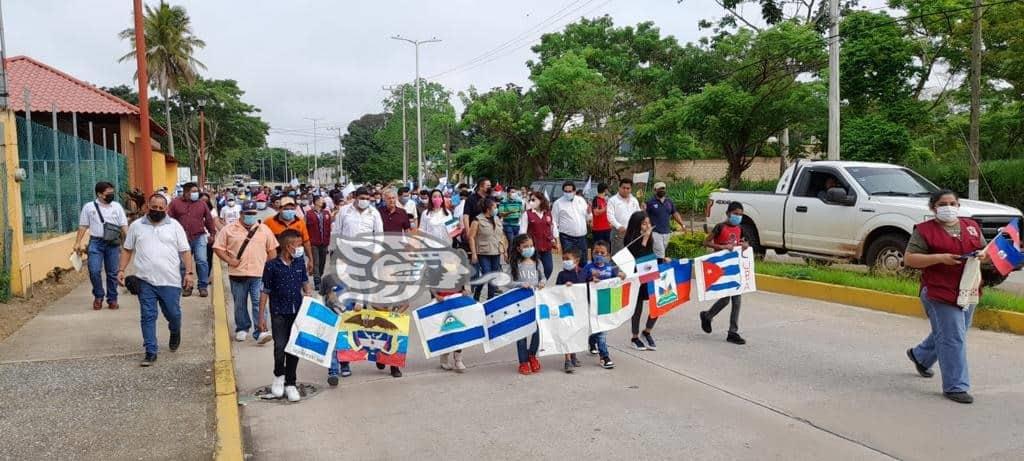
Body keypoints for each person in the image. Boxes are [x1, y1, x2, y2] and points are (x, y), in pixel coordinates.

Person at [904, 189, 988, 404]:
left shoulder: (971, 227)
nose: (949, 207)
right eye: (943, 204)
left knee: (955, 332)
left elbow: (984, 250)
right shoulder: (924, 231)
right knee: (953, 338)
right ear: (934, 208)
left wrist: (983, 255)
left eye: (953, 203)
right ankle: (955, 386)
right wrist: (939, 258)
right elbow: (911, 259)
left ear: (958, 206)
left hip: (967, 289)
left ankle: (921, 356)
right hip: (938, 291)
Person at [118, 194, 196, 367]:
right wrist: (121, 270)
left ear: (166, 209)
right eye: (154, 207)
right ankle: (150, 351)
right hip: (145, 281)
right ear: (147, 206)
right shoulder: (136, 226)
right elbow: (127, 249)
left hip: (170, 281)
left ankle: (175, 331)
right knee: (148, 316)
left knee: (173, 315)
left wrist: (189, 273)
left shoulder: (174, 226)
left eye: (161, 208)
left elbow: (185, 251)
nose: (157, 211)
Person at [258, 229, 313, 402]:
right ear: (288, 246)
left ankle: (291, 383)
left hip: (297, 312)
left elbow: (306, 285)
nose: (300, 248)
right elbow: (265, 291)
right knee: (280, 348)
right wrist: (261, 317)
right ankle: (278, 376)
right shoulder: (271, 266)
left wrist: (310, 297)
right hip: (279, 313)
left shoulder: (299, 264)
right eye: (298, 244)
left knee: (293, 349)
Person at [213, 200, 279, 343]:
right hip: (237, 273)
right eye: (247, 213)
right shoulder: (229, 229)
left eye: (253, 213)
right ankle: (242, 328)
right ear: (241, 214)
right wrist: (230, 261)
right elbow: (218, 248)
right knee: (240, 303)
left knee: (258, 302)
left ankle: (261, 330)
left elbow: (272, 251)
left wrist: (268, 268)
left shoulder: (264, 230)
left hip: (259, 274)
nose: (250, 216)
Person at [699, 201, 750, 345]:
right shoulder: (720, 227)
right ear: (728, 213)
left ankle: (732, 332)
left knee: (737, 299)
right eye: (735, 214)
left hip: (734, 266)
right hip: (720, 267)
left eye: (740, 214)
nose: (738, 217)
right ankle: (707, 316)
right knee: (725, 300)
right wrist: (722, 247)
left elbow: (742, 243)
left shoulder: (739, 228)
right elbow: (706, 242)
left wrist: (744, 245)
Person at [74, 181, 129, 310]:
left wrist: (129, 239)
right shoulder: (89, 207)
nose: (111, 195)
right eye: (108, 193)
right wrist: (77, 242)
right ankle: (98, 295)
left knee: (112, 273)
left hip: (112, 244)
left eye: (112, 192)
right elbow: (83, 226)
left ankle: (112, 299)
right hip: (95, 243)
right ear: (99, 194)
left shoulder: (117, 207)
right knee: (94, 270)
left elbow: (123, 225)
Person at [167, 182, 217, 297]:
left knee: (202, 261)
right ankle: (187, 286)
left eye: (196, 191)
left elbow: (209, 219)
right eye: (193, 191)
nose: (196, 194)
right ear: (186, 192)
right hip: (181, 239)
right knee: (183, 264)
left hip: (199, 236)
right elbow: (169, 220)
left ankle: (203, 287)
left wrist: (212, 233)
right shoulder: (175, 204)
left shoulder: (202, 204)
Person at [622, 211, 659, 351]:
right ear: (637, 225)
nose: (647, 226)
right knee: (637, 306)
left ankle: (647, 331)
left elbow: (650, 254)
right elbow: (637, 256)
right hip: (636, 274)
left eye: (648, 223)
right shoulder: (631, 238)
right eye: (644, 223)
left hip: (649, 270)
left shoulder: (650, 237)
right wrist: (644, 238)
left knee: (658, 302)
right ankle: (635, 336)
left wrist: (661, 260)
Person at [581, 241, 621, 369]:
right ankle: (604, 356)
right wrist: (590, 279)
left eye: (602, 253)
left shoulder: (610, 268)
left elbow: (618, 279)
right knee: (600, 330)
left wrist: (622, 276)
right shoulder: (588, 268)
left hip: (606, 303)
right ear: (592, 253)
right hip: (592, 303)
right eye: (596, 252)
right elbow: (580, 281)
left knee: (600, 328)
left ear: (608, 255)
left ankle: (593, 342)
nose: (599, 255)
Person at [510, 234, 544, 375]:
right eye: (525, 246)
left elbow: (543, 276)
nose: (529, 249)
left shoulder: (537, 262)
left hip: (535, 301)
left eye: (531, 245)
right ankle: (523, 361)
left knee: (537, 330)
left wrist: (543, 282)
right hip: (520, 304)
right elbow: (508, 282)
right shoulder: (515, 264)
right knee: (521, 333)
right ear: (518, 248)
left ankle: (532, 355)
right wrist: (519, 284)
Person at [262, 197, 314, 276]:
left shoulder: (300, 222)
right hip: (276, 260)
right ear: (280, 209)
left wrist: (310, 259)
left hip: (296, 260)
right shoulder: (269, 222)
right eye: (286, 209)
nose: (289, 211)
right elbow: (263, 242)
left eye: (292, 208)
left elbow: (306, 241)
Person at [555, 248, 587, 373]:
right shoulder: (561, 275)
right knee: (567, 333)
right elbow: (556, 291)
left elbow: (585, 286)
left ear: (576, 260)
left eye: (567, 259)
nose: (565, 261)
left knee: (575, 332)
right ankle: (567, 360)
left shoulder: (582, 273)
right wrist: (564, 287)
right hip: (565, 309)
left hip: (578, 309)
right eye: (563, 259)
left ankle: (573, 355)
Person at [468, 198, 503, 301]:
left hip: (496, 251)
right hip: (483, 252)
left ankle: (490, 299)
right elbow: (471, 237)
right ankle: (478, 291)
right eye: (495, 207)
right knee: (487, 274)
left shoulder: (496, 219)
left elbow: (501, 235)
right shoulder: (477, 220)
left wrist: (504, 250)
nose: (496, 209)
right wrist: (474, 254)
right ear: (488, 209)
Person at [519, 191, 559, 280]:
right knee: (534, 268)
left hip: (546, 245)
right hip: (532, 247)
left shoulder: (548, 213)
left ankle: (541, 283)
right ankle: (535, 286)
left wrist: (556, 241)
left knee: (549, 268)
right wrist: (523, 245)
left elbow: (553, 227)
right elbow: (522, 231)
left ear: (541, 200)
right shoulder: (527, 214)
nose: (531, 202)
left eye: (534, 200)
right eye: (530, 200)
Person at [552, 181, 591, 266]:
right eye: (566, 191)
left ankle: (582, 278)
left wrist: (589, 213)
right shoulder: (558, 203)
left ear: (574, 191)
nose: (568, 193)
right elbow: (554, 222)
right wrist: (556, 238)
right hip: (567, 238)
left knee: (583, 261)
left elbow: (588, 217)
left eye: (570, 191)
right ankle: (569, 278)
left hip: (582, 237)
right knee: (569, 262)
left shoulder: (581, 200)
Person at [646, 182, 687, 261]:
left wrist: (682, 224)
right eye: (660, 189)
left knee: (661, 252)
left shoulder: (669, 201)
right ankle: (660, 269)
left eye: (663, 188)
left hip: (667, 232)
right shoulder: (650, 202)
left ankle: (656, 266)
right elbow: (645, 216)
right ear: (655, 190)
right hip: (655, 232)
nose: (662, 190)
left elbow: (675, 213)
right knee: (660, 253)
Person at [305, 196, 333, 291]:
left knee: (323, 262)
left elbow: (329, 227)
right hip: (314, 242)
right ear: (316, 202)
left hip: (324, 241)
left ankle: (319, 276)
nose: (323, 201)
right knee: (316, 262)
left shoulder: (326, 213)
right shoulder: (309, 214)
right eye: (321, 200)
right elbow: (306, 228)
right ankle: (317, 281)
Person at [607, 178, 641, 255]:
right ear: (619, 188)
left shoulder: (634, 200)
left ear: (631, 189)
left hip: (632, 232)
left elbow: (638, 214)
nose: (625, 190)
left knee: (631, 255)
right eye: (623, 188)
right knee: (618, 256)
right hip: (618, 232)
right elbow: (610, 215)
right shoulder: (613, 200)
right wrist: (618, 226)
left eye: (628, 188)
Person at [591, 183, 612, 251]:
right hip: (598, 229)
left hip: (607, 228)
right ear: (605, 190)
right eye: (607, 190)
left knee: (606, 248)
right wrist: (606, 208)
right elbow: (596, 212)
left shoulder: (605, 200)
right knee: (598, 248)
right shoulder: (596, 200)